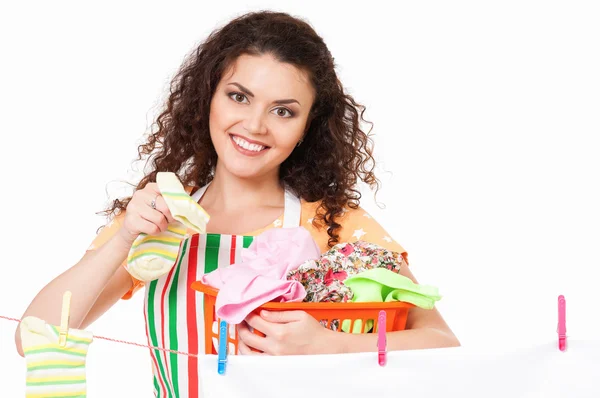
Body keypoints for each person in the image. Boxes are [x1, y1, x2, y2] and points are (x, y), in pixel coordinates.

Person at [16, 9, 459, 396]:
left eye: (283, 110)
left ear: (308, 126)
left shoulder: (334, 224)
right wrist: (124, 238)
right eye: (239, 96)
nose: (255, 125)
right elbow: (31, 337)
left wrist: (329, 344)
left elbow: (441, 340)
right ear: (208, 95)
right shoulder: (158, 222)